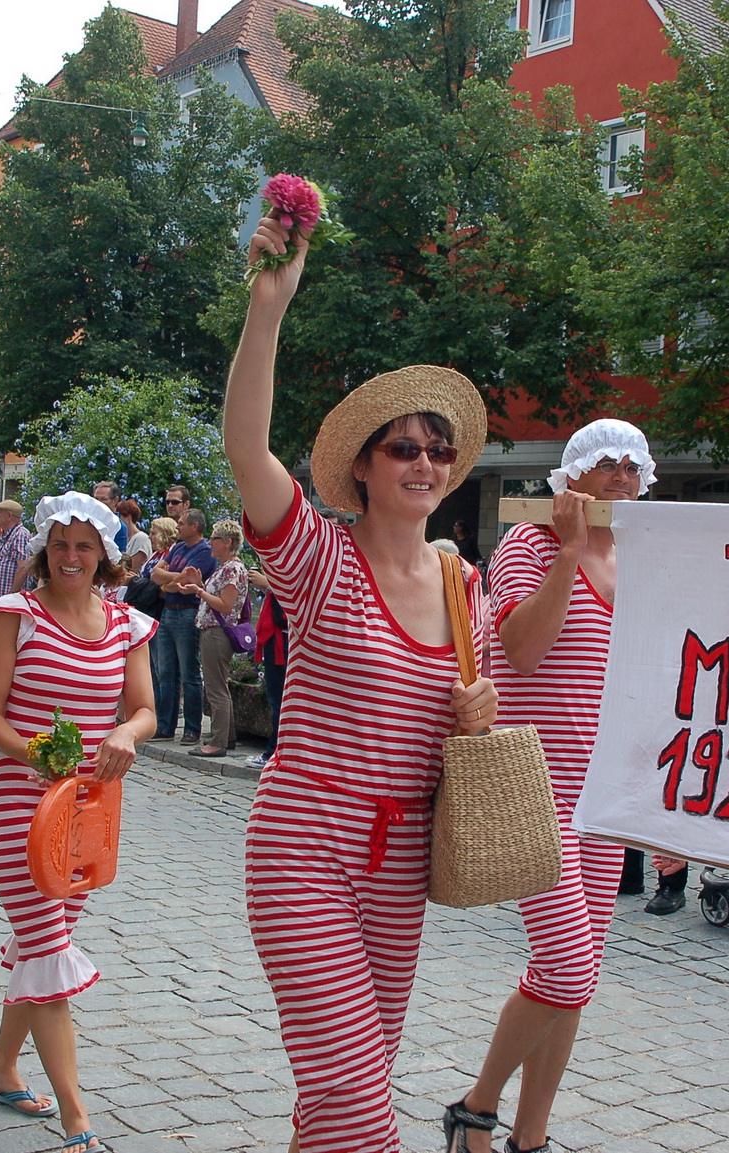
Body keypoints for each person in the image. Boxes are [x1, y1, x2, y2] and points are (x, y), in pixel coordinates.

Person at [224, 209, 498, 1153]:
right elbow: (248, 453)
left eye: (438, 449)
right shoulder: (319, 560)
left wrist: (479, 713)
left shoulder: (467, 585)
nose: (424, 461)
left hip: (400, 866)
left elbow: (478, 722)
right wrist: (269, 310)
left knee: (348, 1090)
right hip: (304, 844)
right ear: (367, 466)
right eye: (403, 447)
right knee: (359, 1105)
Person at [446, 419, 654, 1153]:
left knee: (577, 978)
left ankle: (530, 1135)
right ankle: (476, 1105)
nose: (621, 476)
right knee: (565, 969)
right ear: (573, 476)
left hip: (605, 800)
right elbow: (523, 650)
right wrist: (569, 552)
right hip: (536, 795)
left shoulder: (638, 556)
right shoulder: (529, 545)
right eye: (606, 464)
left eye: (633, 465)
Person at [0, 492, 155, 1153]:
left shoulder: (125, 623)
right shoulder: (12, 616)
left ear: (104, 554)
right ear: (43, 549)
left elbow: (144, 709)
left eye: (84, 546)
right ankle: (79, 1123)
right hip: (19, 806)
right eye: (59, 544)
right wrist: (40, 754)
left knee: (37, 944)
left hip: (87, 810)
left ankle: (0, 1071)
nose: (70, 557)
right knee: (48, 947)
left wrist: (128, 734)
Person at [180, 520, 249, 757]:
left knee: (216, 688)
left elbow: (226, 605)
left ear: (228, 542)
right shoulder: (227, 567)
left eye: (215, 538)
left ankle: (218, 741)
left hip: (217, 633)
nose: (210, 542)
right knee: (219, 685)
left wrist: (198, 591)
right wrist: (200, 585)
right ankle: (226, 737)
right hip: (213, 632)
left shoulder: (232, 569)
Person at [149, 510, 215, 743]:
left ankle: (192, 728)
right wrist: (173, 580)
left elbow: (188, 582)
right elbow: (155, 574)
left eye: (182, 523)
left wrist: (170, 581)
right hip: (169, 612)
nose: (177, 527)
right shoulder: (178, 548)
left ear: (195, 526)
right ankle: (165, 726)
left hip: (188, 613)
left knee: (189, 673)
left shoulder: (204, 551)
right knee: (166, 672)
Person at [246, 567, 286, 771]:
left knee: (280, 699)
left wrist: (267, 585)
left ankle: (275, 753)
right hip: (277, 639)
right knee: (277, 698)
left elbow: (294, 596)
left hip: (284, 638)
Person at [0, 501, 31, 604]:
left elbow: (23, 567)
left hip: (10, 601)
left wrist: (12, 594)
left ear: (8, 515)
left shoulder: (20, 535)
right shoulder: (6, 535)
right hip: (1, 598)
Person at [118, 499, 150, 575]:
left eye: (119, 516)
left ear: (128, 517)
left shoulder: (141, 538)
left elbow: (132, 569)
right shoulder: (122, 538)